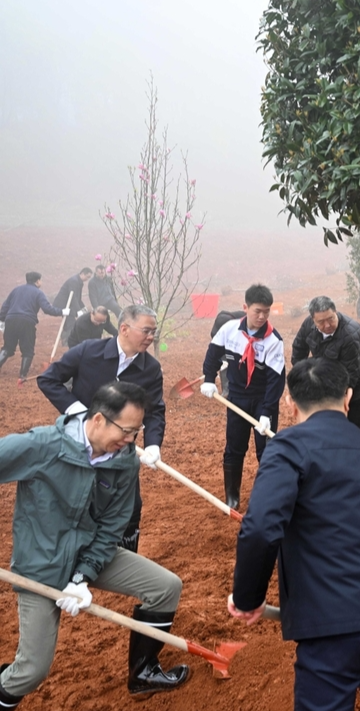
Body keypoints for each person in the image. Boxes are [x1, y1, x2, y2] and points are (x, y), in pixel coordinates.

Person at [228, 359, 360, 711]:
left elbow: (260, 527)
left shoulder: (288, 446)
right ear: (348, 398)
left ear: (289, 403)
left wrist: (247, 598)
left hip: (336, 621)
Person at [0, 382, 189, 707]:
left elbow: (113, 524)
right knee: (32, 671)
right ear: (99, 420)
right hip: (39, 567)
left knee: (165, 587)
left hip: (90, 552)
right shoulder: (43, 445)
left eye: (137, 432)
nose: (131, 441)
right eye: (127, 431)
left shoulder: (124, 460)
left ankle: (143, 673)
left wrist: (81, 576)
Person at [38, 304, 165, 553]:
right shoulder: (88, 351)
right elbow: (48, 379)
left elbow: (155, 410)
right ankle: (65, 555)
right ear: (125, 329)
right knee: (72, 499)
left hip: (120, 450)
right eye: (146, 331)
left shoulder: (150, 369)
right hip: (78, 445)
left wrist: (152, 444)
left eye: (154, 332)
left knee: (130, 508)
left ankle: (124, 556)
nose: (151, 337)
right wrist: (75, 409)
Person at [200, 284, 286, 510]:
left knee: (266, 450)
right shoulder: (228, 330)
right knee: (234, 446)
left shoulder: (273, 341)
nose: (262, 316)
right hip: (236, 396)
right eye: (257, 311)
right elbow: (213, 355)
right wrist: (209, 378)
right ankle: (232, 497)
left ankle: (267, 498)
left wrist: (267, 412)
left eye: (266, 312)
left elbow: (276, 381)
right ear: (245, 307)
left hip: (262, 398)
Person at [291, 296, 360, 431]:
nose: (327, 325)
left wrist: (329, 399)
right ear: (313, 320)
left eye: (331, 319)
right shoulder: (308, 325)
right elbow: (299, 350)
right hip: (330, 377)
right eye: (321, 322)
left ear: (335, 312)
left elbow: (351, 375)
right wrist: (304, 379)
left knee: (351, 427)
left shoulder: (350, 335)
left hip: (359, 386)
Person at [0, 271, 67, 380]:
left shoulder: (16, 290)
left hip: (11, 320)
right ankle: (22, 375)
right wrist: (62, 311)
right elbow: (47, 309)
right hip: (27, 321)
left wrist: (2, 319)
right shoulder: (38, 293)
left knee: (7, 347)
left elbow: (5, 306)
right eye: (40, 280)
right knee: (28, 350)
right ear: (37, 281)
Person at [52, 268, 93, 346]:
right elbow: (73, 297)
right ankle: (66, 341)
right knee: (71, 322)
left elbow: (78, 298)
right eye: (87, 277)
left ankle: (65, 339)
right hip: (64, 304)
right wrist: (78, 311)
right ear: (82, 274)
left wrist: (83, 309)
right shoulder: (74, 281)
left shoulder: (79, 282)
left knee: (69, 322)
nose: (87, 279)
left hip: (70, 304)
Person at [211, 309, 247, 399]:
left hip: (241, 340)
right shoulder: (216, 333)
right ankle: (226, 390)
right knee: (224, 363)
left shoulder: (241, 322)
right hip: (227, 341)